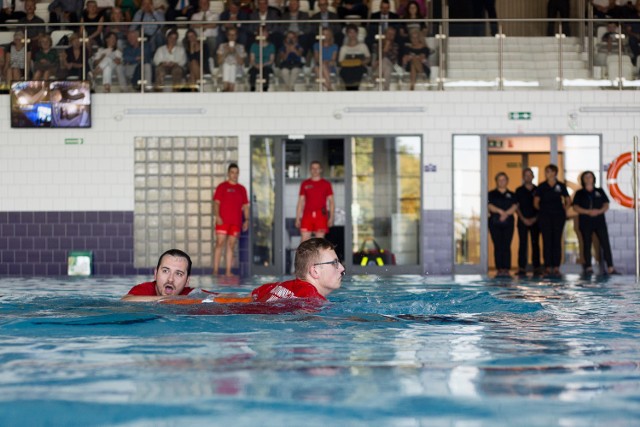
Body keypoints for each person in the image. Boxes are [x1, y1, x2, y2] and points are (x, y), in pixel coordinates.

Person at [251, 237, 345, 302]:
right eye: (334, 263)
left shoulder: (277, 286)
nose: (342, 268)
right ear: (315, 271)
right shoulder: (312, 299)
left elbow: (247, 299)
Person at [572, 171, 620, 275]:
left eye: (590, 176)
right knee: (586, 244)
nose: (588, 179)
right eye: (586, 177)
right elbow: (575, 207)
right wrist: (588, 212)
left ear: (594, 178)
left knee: (605, 243)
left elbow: (606, 204)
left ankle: (610, 267)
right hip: (585, 221)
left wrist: (598, 211)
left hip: (599, 221)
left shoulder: (599, 191)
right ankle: (588, 267)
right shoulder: (579, 193)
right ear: (583, 179)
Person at [213, 163, 250, 276]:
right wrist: (217, 216)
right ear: (228, 173)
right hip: (223, 221)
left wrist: (247, 220)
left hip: (236, 222)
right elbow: (216, 203)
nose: (234, 175)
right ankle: (215, 271)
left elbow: (245, 206)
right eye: (232, 172)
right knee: (220, 243)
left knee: (231, 245)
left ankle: (228, 271)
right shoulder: (222, 187)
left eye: (236, 173)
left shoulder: (242, 189)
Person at [534, 164, 571, 275]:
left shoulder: (561, 186)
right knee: (547, 241)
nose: (547, 174)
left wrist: (564, 209)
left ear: (555, 173)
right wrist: (544, 211)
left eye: (549, 171)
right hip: (545, 217)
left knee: (556, 241)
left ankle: (556, 267)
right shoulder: (542, 186)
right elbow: (535, 203)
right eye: (546, 171)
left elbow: (568, 200)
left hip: (558, 217)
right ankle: (547, 266)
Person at [122, 249, 194, 301]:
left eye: (178, 274)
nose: (170, 279)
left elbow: (205, 300)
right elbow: (125, 301)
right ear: (156, 274)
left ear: (187, 281)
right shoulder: (144, 290)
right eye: (165, 271)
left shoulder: (192, 294)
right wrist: (170, 299)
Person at [296, 160, 334, 242]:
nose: (315, 170)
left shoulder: (326, 184)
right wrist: (297, 217)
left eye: (317, 168)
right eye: (313, 168)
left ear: (321, 170)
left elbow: (331, 202)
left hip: (321, 215)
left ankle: (318, 255)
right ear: (310, 170)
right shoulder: (305, 184)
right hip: (307, 214)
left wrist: (331, 217)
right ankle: (304, 255)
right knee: (304, 241)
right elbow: (300, 201)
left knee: (320, 242)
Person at [488, 172, 518, 277]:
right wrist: (500, 212)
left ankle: (506, 268)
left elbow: (515, 206)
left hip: (508, 223)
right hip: (494, 222)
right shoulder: (491, 194)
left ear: (507, 181)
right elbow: (490, 206)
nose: (501, 182)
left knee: (506, 245)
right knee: (498, 245)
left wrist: (506, 214)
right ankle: (499, 268)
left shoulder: (512, 194)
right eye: (499, 180)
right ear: (496, 181)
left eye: (504, 179)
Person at [515, 168, 541, 275]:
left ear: (533, 176)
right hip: (522, 220)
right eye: (526, 175)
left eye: (530, 175)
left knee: (535, 244)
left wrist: (535, 218)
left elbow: (541, 206)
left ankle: (536, 267)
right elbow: (516, 207)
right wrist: (523, 218)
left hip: (536, 220)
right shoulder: (519, 190)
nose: (528, 177)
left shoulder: (538, 190)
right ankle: (521, 268)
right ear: (523, 177)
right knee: (523, 244)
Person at [338, 23, 371, 91]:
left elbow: (368, 58)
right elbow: (340, 62)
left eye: (354, 32)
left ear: (357, 33)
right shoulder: (344, 48)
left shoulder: (363, 46)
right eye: (350, 32)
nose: (352, 35)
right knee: (346, 72)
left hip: (360, 68)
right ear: (347, 34)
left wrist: (362, 62)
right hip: (347, 69)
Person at [217, 26, 247, 92]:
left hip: (237, 70)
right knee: (226, 65)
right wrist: (226, 53)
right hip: (224, 70)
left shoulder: (241, 47)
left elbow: (242, 63)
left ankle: (226, 89)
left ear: (237, 36)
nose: (232, 37)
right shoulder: (222, 46)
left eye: (234, 35)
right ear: (227, 36)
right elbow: (219, 62)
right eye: (230, 35)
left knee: (232, 66)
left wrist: (235, 52)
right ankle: (230, 90)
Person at [190, 0, 219, 66]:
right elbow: (193, 25)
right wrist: (207, 25)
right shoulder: (195, 15)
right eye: (202, 3)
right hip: (198, 38)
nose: (204, 4)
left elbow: (213, 25)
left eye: (206, 2)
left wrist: (199, 24)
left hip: (210, 38)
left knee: (212, 41)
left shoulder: (215, 15)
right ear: (199, 4)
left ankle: (210, 59)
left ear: (209, 4)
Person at [248, 26, 275, 92]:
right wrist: (256, 65)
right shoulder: (254, 46)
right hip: (256, 65)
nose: (263, 34)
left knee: (265, 72)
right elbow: (252, 59)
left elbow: (271, 60)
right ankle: (252, 88)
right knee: (253, 72)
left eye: (264, 32)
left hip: (266, 66)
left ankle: (265, 89)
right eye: (261, 33)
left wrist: (263, 65)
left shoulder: (271, 46)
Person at [372, 25, 399, 91]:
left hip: (391, 66)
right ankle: (386, 88)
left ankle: (377, 85)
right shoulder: (376, 45)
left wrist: (385, 50)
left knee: (385, 61)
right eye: (388, 33)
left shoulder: (395, 46)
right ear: (384, 34)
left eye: (392, 34)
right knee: (384, 63)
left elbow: (393, 60)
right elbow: (375, 58)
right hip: (377, 67)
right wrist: (385, 48)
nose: (390, 36)